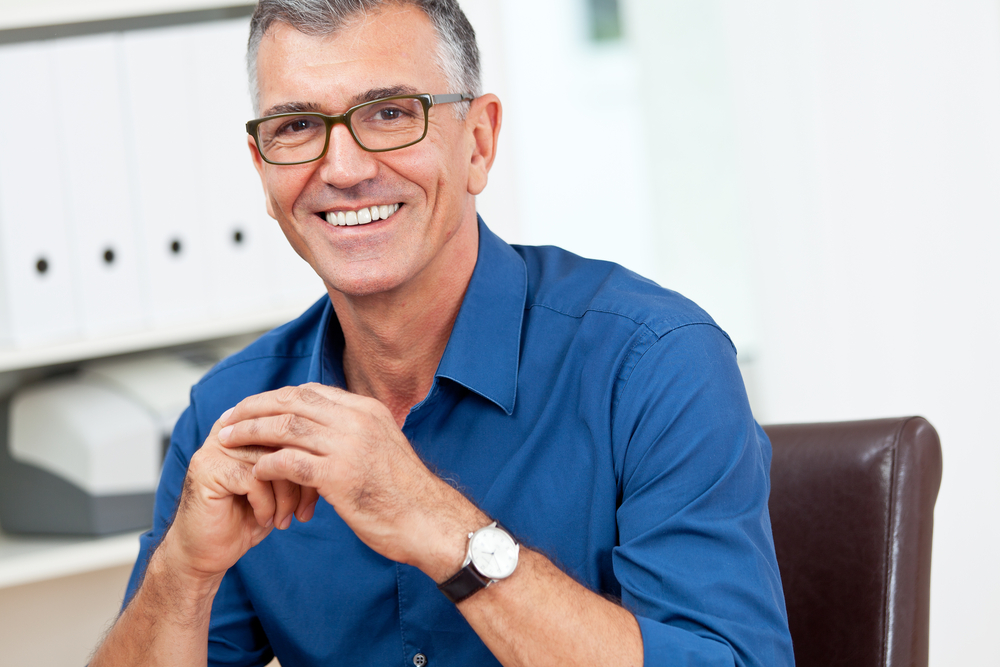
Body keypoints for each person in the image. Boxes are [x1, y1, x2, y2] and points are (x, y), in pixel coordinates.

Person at [91, 0, 795, 665]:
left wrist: (441, 528)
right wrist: (182, 572)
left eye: (391, 113)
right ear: (263, 170)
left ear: (479, 142)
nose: (342, 168)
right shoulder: (232, 413)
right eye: (297, 126)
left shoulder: (655, 362)